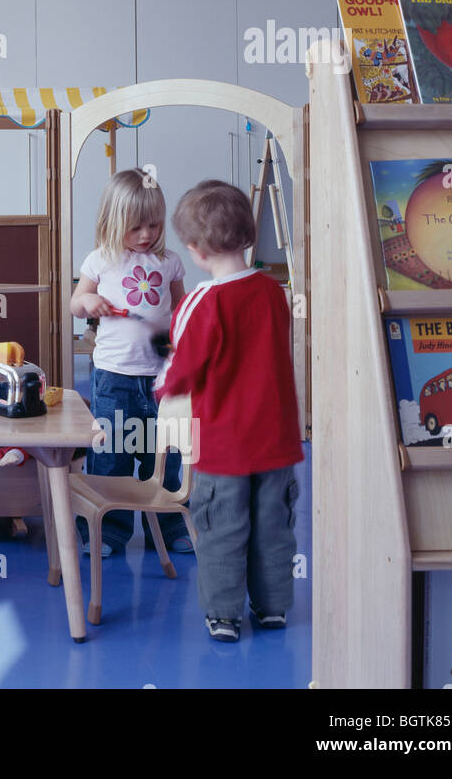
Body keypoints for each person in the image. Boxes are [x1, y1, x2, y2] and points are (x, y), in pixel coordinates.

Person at [155, 179, 304, 643]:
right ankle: (274, 607)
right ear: (247, 236)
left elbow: (184, 366)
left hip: (223, 444)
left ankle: (224, 615)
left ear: (196, 250)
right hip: (276, 439)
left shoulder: (203, 302)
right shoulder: (274, 292)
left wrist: (162, 385)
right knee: (273, 526)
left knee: (222, 527)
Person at [69, 168, 190, 557]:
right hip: (114, 380)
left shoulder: (169, 262)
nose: (146, 235)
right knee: (111, 459)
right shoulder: (100, 261)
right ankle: (107, 532)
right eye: (135, 227)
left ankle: (169, 529)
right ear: (112, 222)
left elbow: (182, 307)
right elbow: (75, 304)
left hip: (160, 380)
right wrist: (88, 302)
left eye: (153, 225)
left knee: (165, 458)